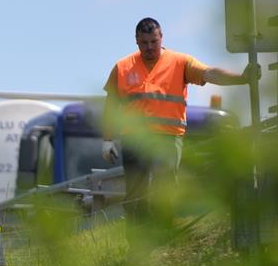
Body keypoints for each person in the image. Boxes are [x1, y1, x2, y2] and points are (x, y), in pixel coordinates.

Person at [101, 17, 260, 227]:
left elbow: (210, 73)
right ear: (136, 41)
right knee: (135, 194)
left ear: (161, 38)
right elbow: (111, 106)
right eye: (144, 43)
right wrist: (107, 139)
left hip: (168, 137)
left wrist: (242, 77)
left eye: (153, 42)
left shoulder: (180, 62)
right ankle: (136, 242)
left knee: (164, 187)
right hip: (134, 139)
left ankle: (163, 235)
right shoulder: (122, 68)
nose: (149, 47)